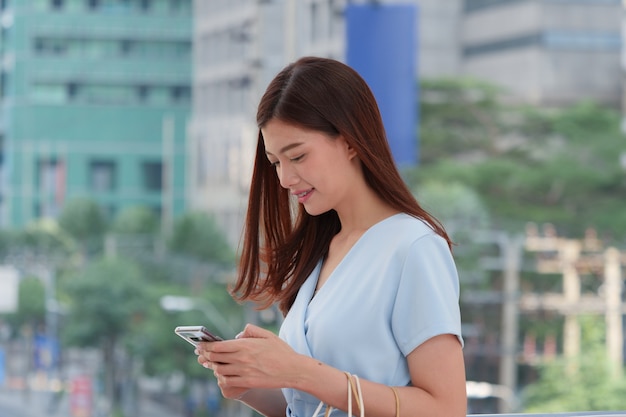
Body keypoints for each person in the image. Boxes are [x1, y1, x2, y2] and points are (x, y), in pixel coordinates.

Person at [195, 56, 466, 417]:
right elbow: (308, 406)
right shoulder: (321, 250)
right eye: (276, 162)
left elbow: (446, 409)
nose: (284, 179)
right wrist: (251, 385)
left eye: (298, 156)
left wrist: (298, 371)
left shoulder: (414, 247)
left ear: (350, 141)